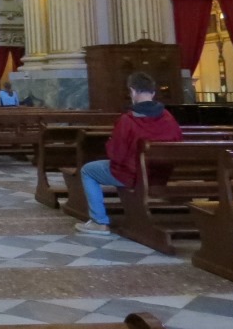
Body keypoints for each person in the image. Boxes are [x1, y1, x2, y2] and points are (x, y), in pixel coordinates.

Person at [75, 71, 182, 237]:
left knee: (88, 170)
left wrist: (110, 143)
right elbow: (178, 144)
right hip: (160, 174)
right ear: (153, 92)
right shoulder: (168, 118)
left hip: (133, 175)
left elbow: (116, 155)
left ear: (132, 91)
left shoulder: (128, 119)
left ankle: (99, 222)